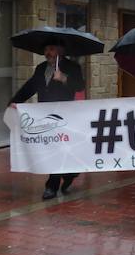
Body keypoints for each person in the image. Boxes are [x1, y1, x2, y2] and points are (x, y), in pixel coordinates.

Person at [9, 39, 85, 200]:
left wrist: (64, 78)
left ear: (60, 51)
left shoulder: (73, 67)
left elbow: (79, 86)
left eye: (51, 49)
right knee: (53, 149)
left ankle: (52, 186)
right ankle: (70, 173)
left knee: (59, 149)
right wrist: (15, 101)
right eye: (46, 49)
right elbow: (30, 87)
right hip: (45, 116)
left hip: (65, 116)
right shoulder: (41, 68)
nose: (48, 53)